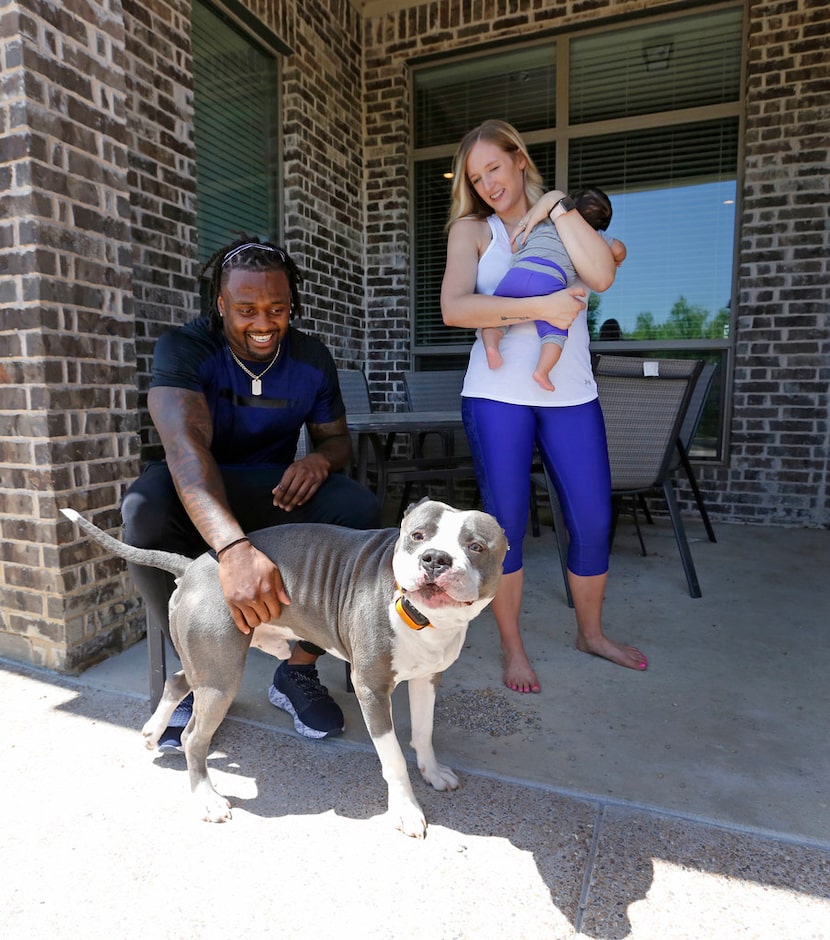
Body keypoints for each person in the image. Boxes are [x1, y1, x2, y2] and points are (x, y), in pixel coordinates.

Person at [121, 237, 381, 750]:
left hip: (273, 484)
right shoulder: (186, 347)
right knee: (142, 510)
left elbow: (336, 441)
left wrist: (318, 459)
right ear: (220, 305)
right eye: (245, 310)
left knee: (359, 510)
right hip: (197, 481)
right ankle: (197, 672)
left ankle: (300, 667)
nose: (262, 323)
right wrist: (233, 551)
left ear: (292, 306)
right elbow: (186, 450)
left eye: (277, 309)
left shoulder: (311, 357)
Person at [440, 119, 648, 693]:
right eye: (476, 177)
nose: (487, 185)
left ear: (520, 161)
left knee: (592, 517)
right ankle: (513, 649)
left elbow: (602, 272)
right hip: (496, 393)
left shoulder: (565, 219)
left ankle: (591, 632)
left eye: (494, 169)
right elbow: (456, 309)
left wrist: (557, 206)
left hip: (571, 393)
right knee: (505, 525)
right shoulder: (473, 231)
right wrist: (546, 304)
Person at [481, 187, 626, 391]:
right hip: (549, 281)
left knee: (494, 319)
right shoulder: (592, 235)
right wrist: (613, 257)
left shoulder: (542, 223)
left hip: (517, 274)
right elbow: (620, 249)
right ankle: (542, 370)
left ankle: (491, 346)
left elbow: (516, 246)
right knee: (554, 333)